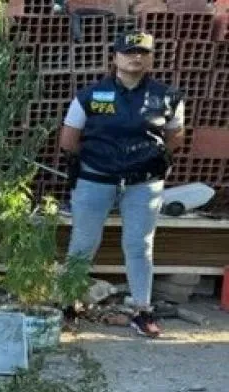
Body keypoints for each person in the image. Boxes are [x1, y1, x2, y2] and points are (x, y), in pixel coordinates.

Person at [59, 31, 184, 338]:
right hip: (95, 179)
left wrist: (148, 162)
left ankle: (142, 311)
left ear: (151, 58)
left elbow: (175, 137)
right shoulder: (90, 95)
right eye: (128, 52)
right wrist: (98, 163)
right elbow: (69, 139)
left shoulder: (167, 96)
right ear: (114, 57)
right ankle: (68, 306)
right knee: (83, 244)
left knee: (140, 246)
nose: (135, 57)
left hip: (144, 183)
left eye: (142, 52)